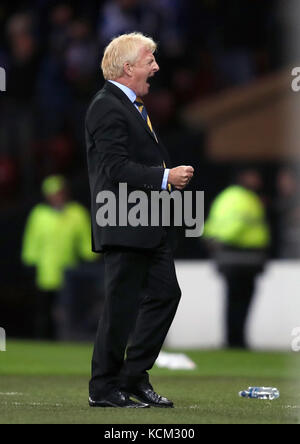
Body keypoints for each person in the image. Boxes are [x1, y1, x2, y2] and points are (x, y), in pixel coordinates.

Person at [85, 32, 194, 408]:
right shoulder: (106, 105)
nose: (156, 67)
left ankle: (132, 377)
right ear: (128, 67)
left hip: (147, 222)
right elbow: (115, 169)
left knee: (165, 294)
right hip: (123, 220)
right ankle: (102, 388)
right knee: (121, 306)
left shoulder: (131, 106)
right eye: (150, 60)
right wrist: (166, 177)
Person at [21, 175, 97, 339]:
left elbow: (86, 241)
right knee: (43, 313)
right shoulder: (39, 215)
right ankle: (42, 341)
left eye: (59, 193)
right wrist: (30, 262)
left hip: (70, 274)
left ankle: (63, 341)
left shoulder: (76, 213)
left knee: (67, 314)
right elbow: (31, 241)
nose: (56, 197)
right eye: (53, 193)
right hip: (45, 273)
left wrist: (90, 257)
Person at [204, 169, 270, 348]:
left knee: (233, 299)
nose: (257, 179)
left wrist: (214, 242)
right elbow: (236, 227)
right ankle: (237, 340)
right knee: (241, 300)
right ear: (244, 177)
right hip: (243, 256)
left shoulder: (225, 197)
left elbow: (212, 225)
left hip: (230, 256)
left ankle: (233, 339)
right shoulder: (246, 199)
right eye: (253, 176)